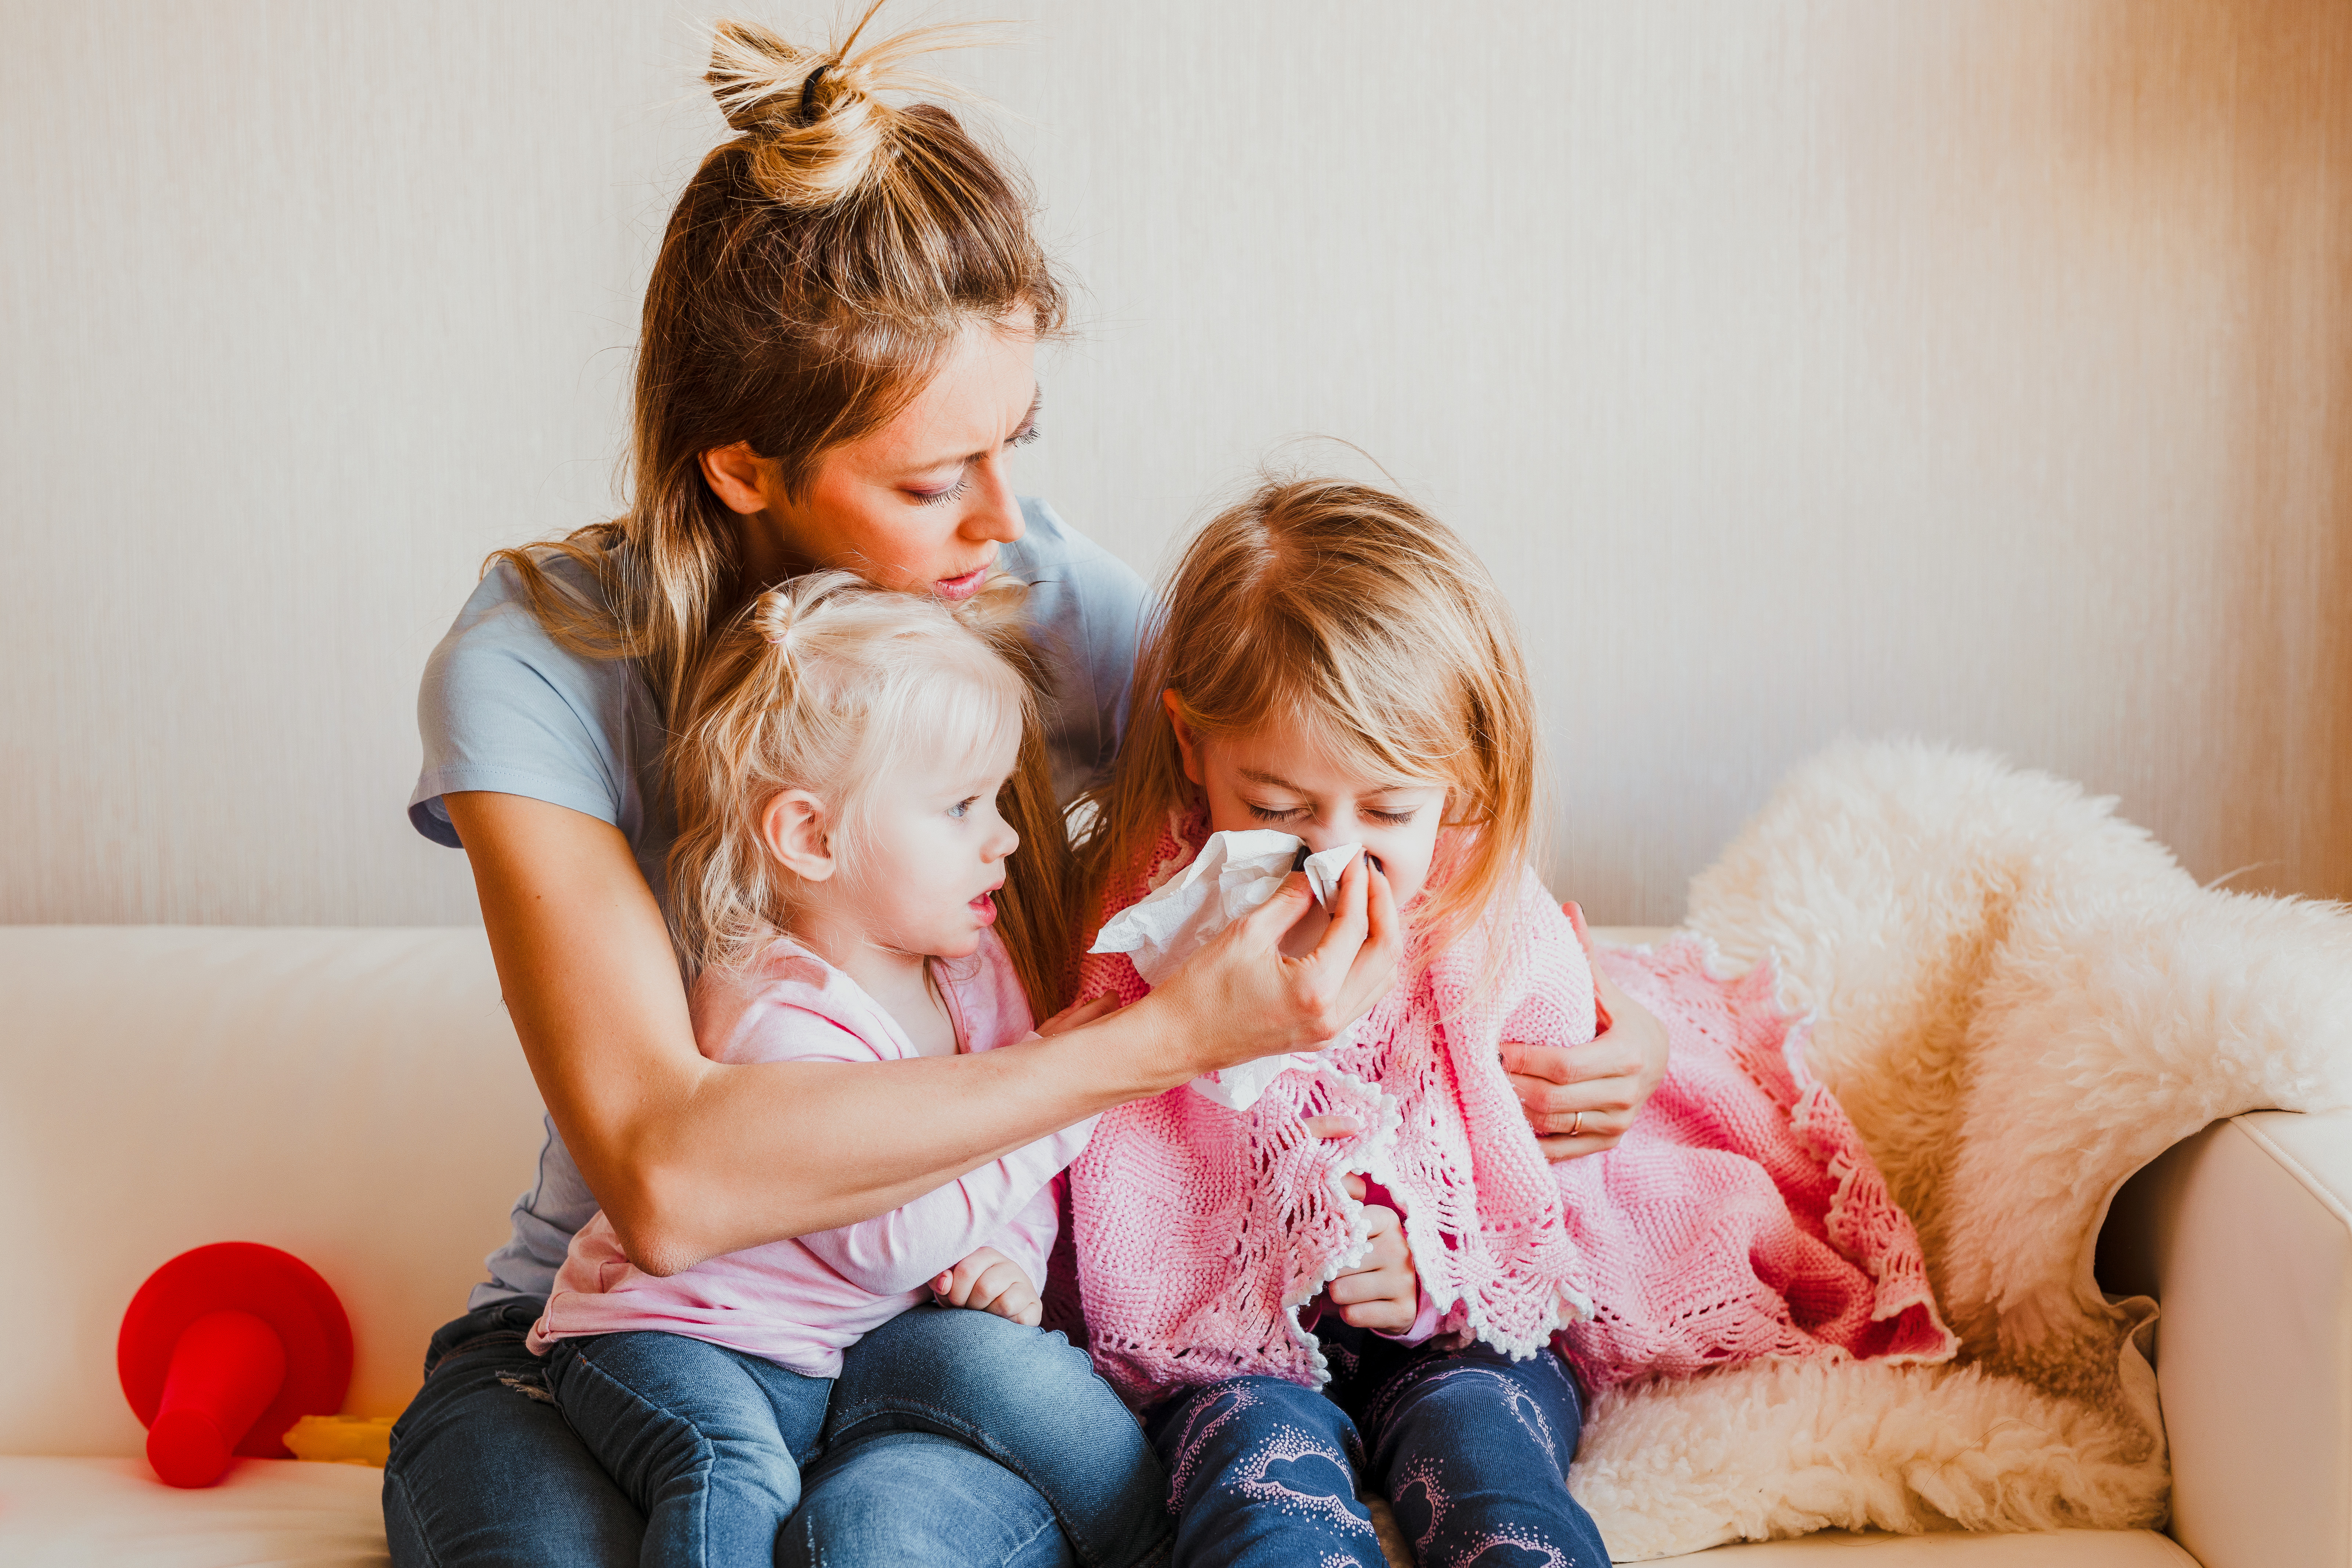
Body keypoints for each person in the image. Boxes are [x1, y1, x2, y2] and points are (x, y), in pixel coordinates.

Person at [386, 12, 1668, 1565]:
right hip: (629, 1337)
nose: (1004, 519)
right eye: (934, 480)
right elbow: (666, 1176)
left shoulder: (1036, 598)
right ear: (743, 467)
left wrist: (1616, 1023)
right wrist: (1161, 1042)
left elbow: (1373, 782)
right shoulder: (541, 663)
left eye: (1018, 444)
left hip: (960, 1329)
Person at [1066, 478, 1947, 1567]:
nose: (1335, 852)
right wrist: (1284, 1247)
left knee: (1488, 1463)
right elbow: (1126, 1172)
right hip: (1241, 1355)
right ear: (1192, 742)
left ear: (1461, 777)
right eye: (1279, 809)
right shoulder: (1149, 920)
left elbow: (1543, 1184)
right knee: (1258, 1486)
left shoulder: (1490, 926)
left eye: (1388, 809)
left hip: (1470, 1344)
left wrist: (1428, 1267)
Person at [522, 573, 1169, 1568]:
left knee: (1015, 1416)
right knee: (734, 1472)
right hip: (668, 1338)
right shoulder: (779, 1012)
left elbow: (1002, 1155)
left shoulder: (975, 970)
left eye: (997, 798)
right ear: (812, 837)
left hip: (819, 1356)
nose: (1004, 836)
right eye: (961, 806)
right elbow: (894, 1244)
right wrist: (1075, 1091)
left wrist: (1006, 1255)